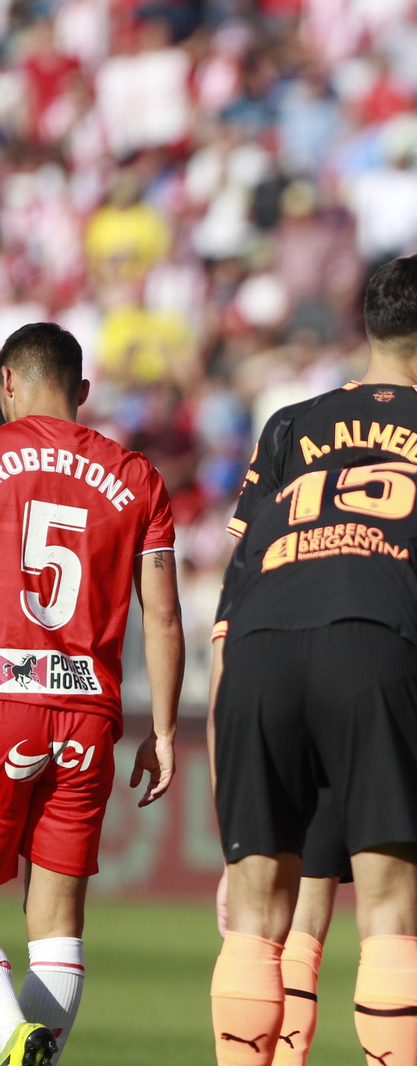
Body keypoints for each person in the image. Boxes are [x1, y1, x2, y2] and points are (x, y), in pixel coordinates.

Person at [218, 253, 417, 1066]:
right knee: (396, 912)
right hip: (380, 654)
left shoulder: (289, 426)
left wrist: (230, 776)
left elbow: (231, 601)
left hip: (260, 649)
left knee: (259, 918)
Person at [208, 458, 417, 1066]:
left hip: (286, 664)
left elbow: (230, 612)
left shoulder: (292, 438)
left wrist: (231, 838)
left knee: (290, 921)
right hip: (411, 681)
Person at [0, 323, 182, 1066]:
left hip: (3, 694)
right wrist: (164, 730)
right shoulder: (137, 477)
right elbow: (162, 615)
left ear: (7, 383)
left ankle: (12, 1036)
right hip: (86, 716)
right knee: (57, 927)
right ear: (81, 389)